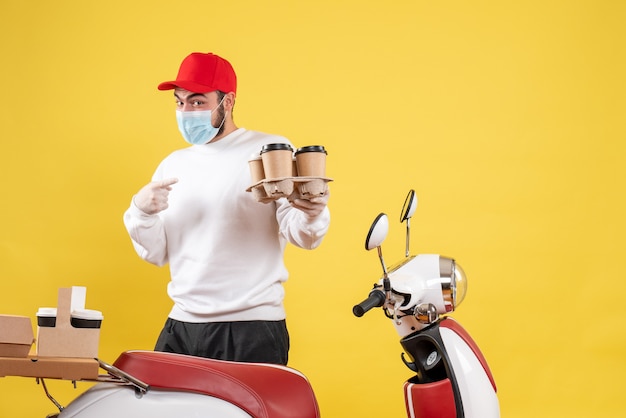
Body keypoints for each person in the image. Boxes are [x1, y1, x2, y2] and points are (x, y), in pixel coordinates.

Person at [123, 52, 330, 365]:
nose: (186, 112)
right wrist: (141, 212)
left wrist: (313, 213)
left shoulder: (268, 151)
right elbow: (157, 253)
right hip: (182, 324)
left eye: (197, 102)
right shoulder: (173, 164)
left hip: (251, 326)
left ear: (228, 101)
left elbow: (304, 236)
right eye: (179, 103)